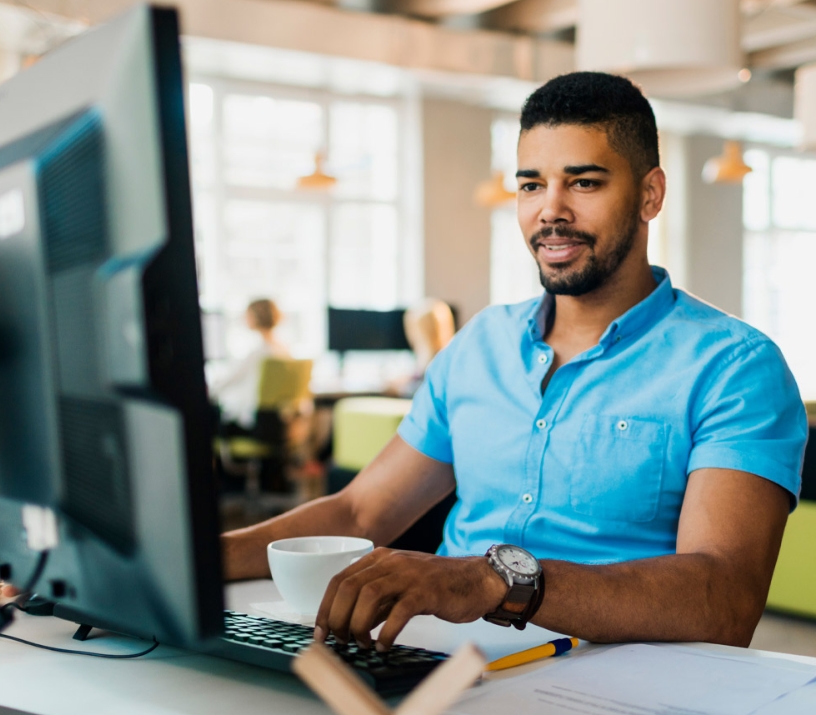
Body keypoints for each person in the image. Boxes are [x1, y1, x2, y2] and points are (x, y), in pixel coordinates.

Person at [222, 72, 807, 653]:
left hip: (622, 686)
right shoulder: (480, 345)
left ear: (650, 194)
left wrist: (492, 581)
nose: (550, 211)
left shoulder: (734, 368)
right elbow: (357, 510)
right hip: (439, 661)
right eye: (531, 186)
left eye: (583, 183)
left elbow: (725, 598)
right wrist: (198, 557)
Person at [211, 299, 290, 431]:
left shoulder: (259, 353)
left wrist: (209, 392)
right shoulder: (284, 350)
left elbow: (231, 380)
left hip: (256, 426)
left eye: (247, 314)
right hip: (278, 423)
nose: (244, 318)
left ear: (256, 317)